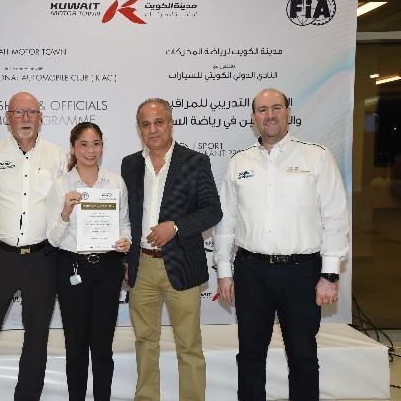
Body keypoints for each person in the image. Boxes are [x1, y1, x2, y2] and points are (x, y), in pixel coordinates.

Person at [213, 88, 350, 401]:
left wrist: (330, 274)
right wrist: (224, 272)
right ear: (253, 118)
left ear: (288, 112)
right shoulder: (239, 162)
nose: (270, 115)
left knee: (303, 356)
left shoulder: (317, 156)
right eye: (262, 110)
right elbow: (226, 223)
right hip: (251, 271)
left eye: (276, 108)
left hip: (302, 273)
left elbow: (336, 217)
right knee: (250, 354)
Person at [0, 91, 68, 401]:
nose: (25, 118)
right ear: (8, 118)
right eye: (18, 112)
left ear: (41, 118)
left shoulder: (58, 156)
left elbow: (68, 209)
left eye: (31, 112)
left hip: (42, 259)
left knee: (36, 340)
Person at [121, 98, 222, 401]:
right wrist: (125, 261)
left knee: (189, 345)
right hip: (141, 265)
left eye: (158, 122)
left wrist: (175, 226)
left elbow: (212, 211)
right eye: (146, 124)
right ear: (139, 129)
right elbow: (125, 216)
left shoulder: (195, 161)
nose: (153, 130)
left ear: (170, 123)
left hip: (182, 264)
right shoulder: (130, 164)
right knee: (145, 341)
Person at [46, 122, 132, 401]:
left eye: (96, 144)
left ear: (102, 147)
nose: (90, 150)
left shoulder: (115, 183)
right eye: (83, 144)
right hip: (72, 268)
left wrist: (125, 240)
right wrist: (65, 211)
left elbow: (124, 224)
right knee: (76, 347)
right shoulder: (61, 185)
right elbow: (53, 239)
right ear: (73, 148)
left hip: (108, 269)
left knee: (103, 347)